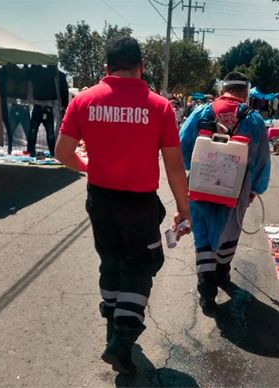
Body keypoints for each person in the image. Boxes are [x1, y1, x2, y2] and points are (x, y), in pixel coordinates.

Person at [54, 36, 191, 375]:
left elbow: (62, 153)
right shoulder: (159, 106)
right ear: (141, 66)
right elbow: (174, 165)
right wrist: (183, 209)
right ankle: (122, 338)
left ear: (106, 68)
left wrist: (88, 165)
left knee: (111, 262)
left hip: (100, 199)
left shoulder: (84, 101)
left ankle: (113, 329)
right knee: (143, 263)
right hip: (139, 204)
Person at [179, 71, 271, 315]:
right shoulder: (254, 120)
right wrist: (254, 190)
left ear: (223, 90)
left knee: (203, 237)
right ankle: (222, 273)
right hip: (236, 190)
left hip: (200, 184)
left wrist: (194, 168)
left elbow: (182, 146)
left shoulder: (201, 112)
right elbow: (261, 159)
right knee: (229, 232)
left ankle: (206, 291)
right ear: (244, 93)